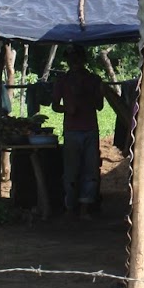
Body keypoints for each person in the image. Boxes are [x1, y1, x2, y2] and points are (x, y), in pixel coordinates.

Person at [50, 46, 111, 218]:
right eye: (71, 59)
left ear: (83, 60)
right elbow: (55, 105)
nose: (74, 62)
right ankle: (70, 208)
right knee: (71, 171)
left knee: (90, 170)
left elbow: (99, 106)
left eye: (77, 58)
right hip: (71, 131)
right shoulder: (62, 80)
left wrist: (97, 95)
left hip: (90, 130)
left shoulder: (94, 79)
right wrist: (66, 108)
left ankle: (85, 208)